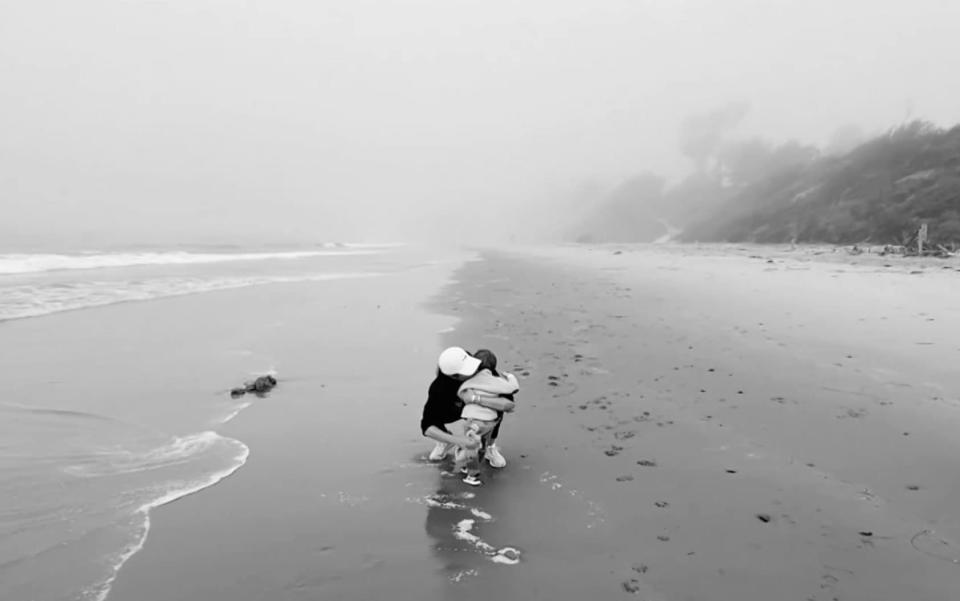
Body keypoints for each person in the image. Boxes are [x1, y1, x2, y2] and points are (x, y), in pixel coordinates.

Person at [454, 349, 518, 484]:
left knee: (472, 446)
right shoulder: (497, 382)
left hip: (472, 420)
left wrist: (474, 398)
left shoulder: (469, 380)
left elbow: (461, 393)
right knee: (482, 445)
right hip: (489, 421)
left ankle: (470, 471)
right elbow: (513, 388)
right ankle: (472, 465)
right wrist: (510, 377)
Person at [421, 347, 483, 461]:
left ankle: (490, 447)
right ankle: (444, 441)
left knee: (492, 411)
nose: (475, 371)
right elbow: (426, 427)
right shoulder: (439, 389)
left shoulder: (477, 363)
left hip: (479, 401)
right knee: (434, 418)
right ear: (455, 376)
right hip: (455, 407)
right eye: (468, 371)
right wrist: (458, 440)